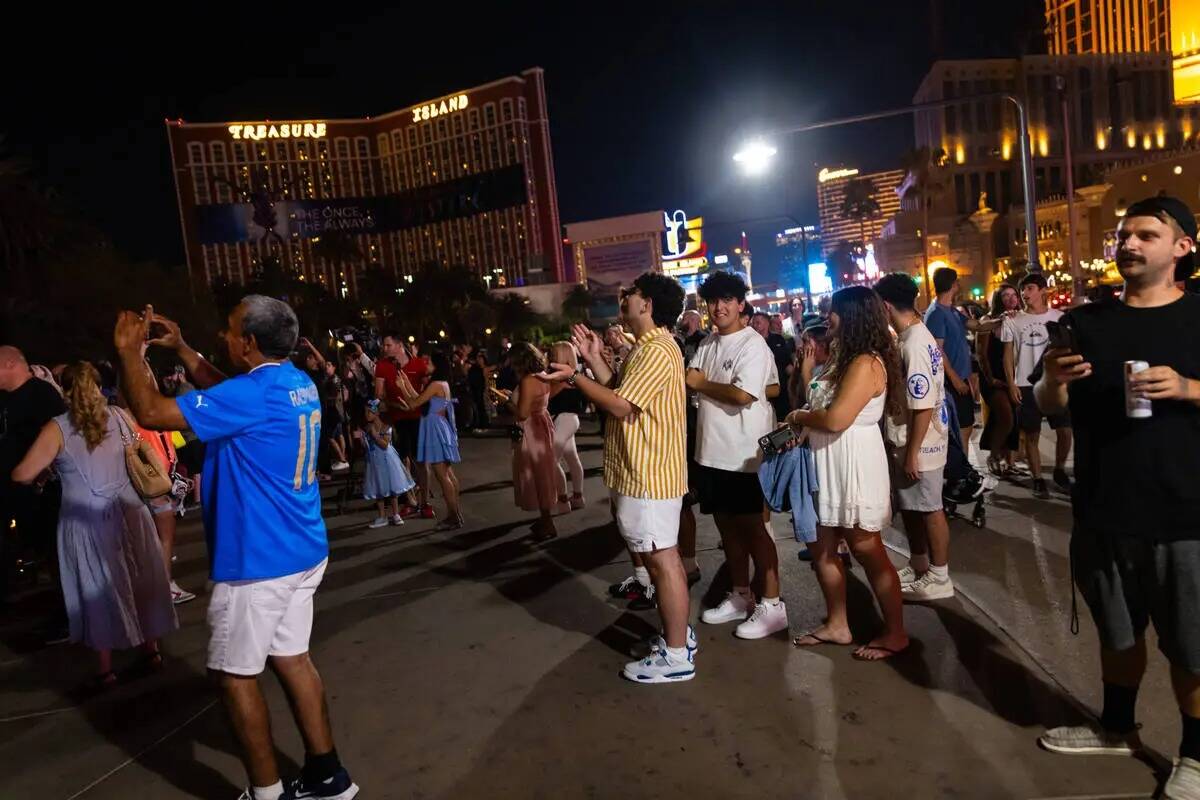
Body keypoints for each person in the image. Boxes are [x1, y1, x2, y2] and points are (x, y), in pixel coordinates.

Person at [114, 298, 359, 800]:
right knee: (293, 659)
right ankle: (328, 776)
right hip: (300, 549)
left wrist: (129, 352)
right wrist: (182, 347)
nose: (223, 337)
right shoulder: (294, 383)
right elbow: (227, 390)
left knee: (232, 675)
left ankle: (267, 793)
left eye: (228, 330)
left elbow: (149, 411)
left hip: (257, 562)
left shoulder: (254, 393)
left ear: (248, 342)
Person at [1034, 196, 1200, 797]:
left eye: (1146, 235)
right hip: (1104, 507)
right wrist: (1052, 381)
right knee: (1119, 632)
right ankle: (1118, 727)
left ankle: (1196, 756)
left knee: (1190, 642)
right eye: (1124, 235)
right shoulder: (1089, 321)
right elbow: (1049, 409)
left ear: (1182, 248)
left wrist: (1187, 387)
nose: (1128, 244)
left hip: (1186, 512)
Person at [538, 272, 694, 683]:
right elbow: (621, 392)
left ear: (647, 305)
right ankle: (677, 639)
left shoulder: (658, 350)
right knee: (662, 560)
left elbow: (621, 406)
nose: (623, 298)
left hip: (650, 474)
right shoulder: (646, 348)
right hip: (640, 470)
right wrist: (592, 357)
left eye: (631, 294)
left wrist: (574, 378)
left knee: (663, 561)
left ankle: (677, 655)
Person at [12, 362, 176, 688]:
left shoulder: (56, 428)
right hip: (129, 513)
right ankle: (151, 650)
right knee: (138, 579)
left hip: (86, 522)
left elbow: (23, 474)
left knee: (96, 590)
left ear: (65, 389)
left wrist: (53, 470)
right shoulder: (118, 416)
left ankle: (104, 669)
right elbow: (135, 454)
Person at [786, 286, 909, 661]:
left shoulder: (866, 363)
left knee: (865, 548)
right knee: (821, 547)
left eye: (834, 311)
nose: (827, 316)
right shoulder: (842, 356)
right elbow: (820, 403)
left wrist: (800, 417)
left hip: (853, 462)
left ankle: (895, 632)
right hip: (826, 460)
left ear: (852, 315)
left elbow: (837, 418)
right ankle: (838, 624)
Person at [689, 271, 788, 641]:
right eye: (714, 301)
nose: (719, 307)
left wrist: (702, 385)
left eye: (727, 300)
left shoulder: (753, 345)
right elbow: (692, 377)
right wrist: (701, 383)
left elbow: (743, 395)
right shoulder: (709, 344)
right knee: (726, 527)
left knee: (754, 530)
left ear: (741, 304)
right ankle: (741, 594)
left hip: (744, 456)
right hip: (711, 454)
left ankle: (773, 604)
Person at [875, 273, 954, 601]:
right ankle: (920, 564)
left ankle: (939, 575)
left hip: (921, 443)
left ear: (886, 305)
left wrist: (912, 453)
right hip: (913, 440)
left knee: (930, 507)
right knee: (914, 507)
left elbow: (921, 405)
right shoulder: (910, 337)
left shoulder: (915, 344)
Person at [0, 345, 66, 610]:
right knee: (40, 550)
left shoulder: (42, 395)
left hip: (42, 492)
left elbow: (61, 440)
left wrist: (40, 477)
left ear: (10, 364)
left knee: (55, 552)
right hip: (15, 492)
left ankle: (69, 614)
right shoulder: (5, 399)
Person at [1002, 273, 1073, 499]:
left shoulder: (1059, 317)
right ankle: (1037, 478)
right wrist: (1011, 383)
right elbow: (1007, 356)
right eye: (1023, 290)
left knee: (1065, 430)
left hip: (1054, 382)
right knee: (1031, 434)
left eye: (1030, 288)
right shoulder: (1013, 320)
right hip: (1025, 383)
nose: (1025, 294)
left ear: (1043, 290)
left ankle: (1060, 470)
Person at [396, 352, 464, 531]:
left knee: (442, 475)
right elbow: (420, 398)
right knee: (448, 473)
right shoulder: (441, 384)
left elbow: (413, 403)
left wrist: (402, 386)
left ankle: (453, 516)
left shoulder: (435, 384)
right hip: (440, 427)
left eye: (429, 362)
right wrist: (406, 384)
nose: (426, 364)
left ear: (436, 365)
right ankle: (456, 513)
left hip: (435, 429)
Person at [502, 343, 560, 541]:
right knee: (543, 472)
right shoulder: (542, 375)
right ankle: (546, 518)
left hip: (532, 429)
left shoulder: (527, 380)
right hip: (543, 423)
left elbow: (523, 413)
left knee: (536, 473)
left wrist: (506, 401)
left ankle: (547, 521)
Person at [376, 335, 433, 519]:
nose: (385, 348)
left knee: (422, 461)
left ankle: (425, 502)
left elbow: (428, 390)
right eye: (383, 345)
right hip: (398, 419)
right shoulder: (383, 366)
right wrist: (394, 404)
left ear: (399, 345)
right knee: (402, 461)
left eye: (388, 345)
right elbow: (379, 394)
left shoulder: (418, 364)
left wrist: (417, 401)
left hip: (418, 418)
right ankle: (411, 501)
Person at [924, 267, 977, 454]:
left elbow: (974, 325)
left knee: (966, 425)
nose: (959, 285)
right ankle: (961, 472)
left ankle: (963, 469)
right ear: (953, 284)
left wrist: (1001, 320)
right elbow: (937, 350)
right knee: (961, 427)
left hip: (960, 378)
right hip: (951, 382)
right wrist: (954, 378)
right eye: (957, 281)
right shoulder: (937, 313)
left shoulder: (951, 310)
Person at [977, 285, 1022, 477]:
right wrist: (990, 378)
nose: (1011, 299)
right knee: (1006, 417)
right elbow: (981, 354)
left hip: (1013, 377)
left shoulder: (1020, 318)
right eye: (1006, 296)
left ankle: (1008, 461)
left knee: (1012, 419)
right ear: (998, 299)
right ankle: (993, 456)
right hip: (993, 378)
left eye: (1014, 295)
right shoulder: (988, 321)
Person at [361, 399, 415, 528]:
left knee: (392, 488)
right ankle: (381, 516)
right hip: (374, 460)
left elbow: (385, 445)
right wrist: (363, 441)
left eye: (369, 412)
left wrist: (374, 434)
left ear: (376, 413)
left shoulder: (386, 427)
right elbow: (367, 446)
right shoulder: (367, 428)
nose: (366, 415)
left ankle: (396, 514)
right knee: (378, 488)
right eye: (365, 412)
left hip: (387, 460)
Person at [547, 341, 586, 511]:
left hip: (564, 420)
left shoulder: (561, 377)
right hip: (571, 420)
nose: (550, 356)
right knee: (572, 458)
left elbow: (547, 397)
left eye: (553, 353)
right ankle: (577, 497)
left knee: (550, 460)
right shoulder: (576, 374)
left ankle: (563, 500)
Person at [467, 349, 494, 432]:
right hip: (478, 389)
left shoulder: (484, 368)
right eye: (478, 358)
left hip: (484, 389)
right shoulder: (475, 368)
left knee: (485, 406)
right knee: (480, 406)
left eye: (481, 358)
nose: (479, 360)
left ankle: (486, 422)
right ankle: (481, 423)